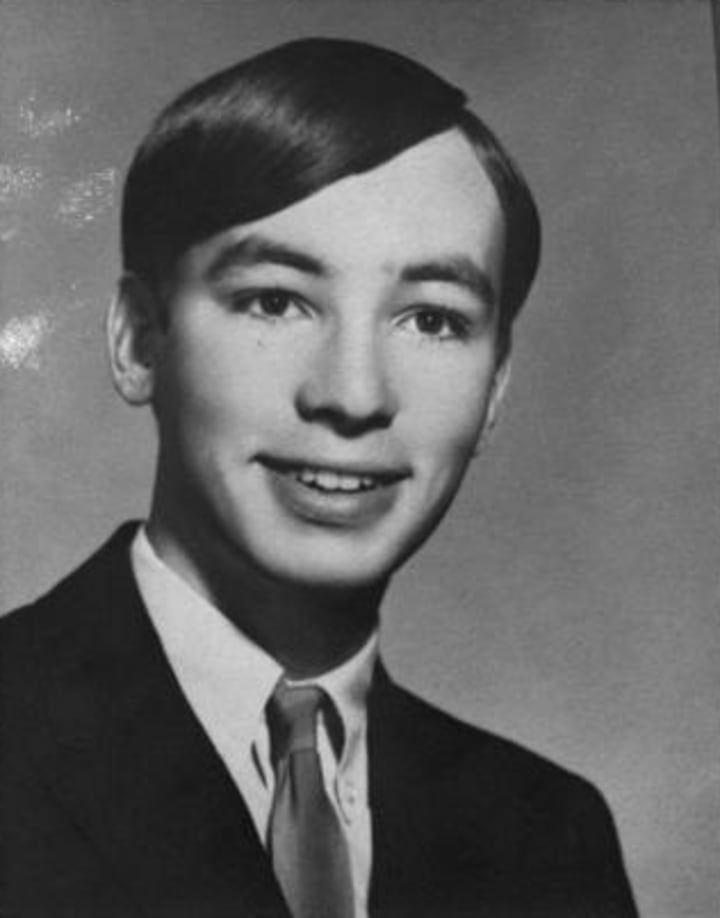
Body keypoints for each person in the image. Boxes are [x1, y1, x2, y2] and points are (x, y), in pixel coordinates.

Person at [0, 37, 639, 918]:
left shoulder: (547, 833)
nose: (353, 395)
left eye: (432, 320)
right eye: (275, 300)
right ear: (139, 341)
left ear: (494, 391)